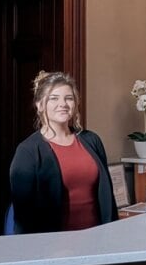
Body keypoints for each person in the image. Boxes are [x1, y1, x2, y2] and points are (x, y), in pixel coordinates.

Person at [9, 70, 118, 233]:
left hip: (97, 241)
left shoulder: (91, 140)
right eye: (54, 98)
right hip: (53, 248)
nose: (63, 104)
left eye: (69, 98)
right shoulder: (28, 151)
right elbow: (24, 217)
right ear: (39, 104)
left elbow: (107, 198)